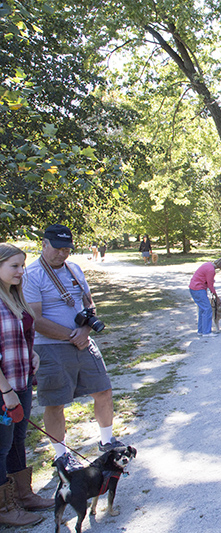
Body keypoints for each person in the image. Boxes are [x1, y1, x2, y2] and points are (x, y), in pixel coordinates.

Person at [22, 224, 127, 474]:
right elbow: (34, 319)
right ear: (44, 245)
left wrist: (85, 330)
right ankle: (62, 455)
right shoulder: (32, 275)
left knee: (103, 390)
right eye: (57, 248)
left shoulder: (75, 269)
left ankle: (106, 441)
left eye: (67, 248)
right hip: (50, 347)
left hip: (83, 341)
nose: (62, 253)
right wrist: (72, 336)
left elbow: (88, 303)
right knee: (55, 402)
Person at [0, 244, 53, 526]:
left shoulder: (14, 296)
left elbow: (20, 334)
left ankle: (23, 495)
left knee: (18, 440)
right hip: (4, 388)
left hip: (21, 380)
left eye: (22, 265)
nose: (21, 271)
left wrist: (31, 354)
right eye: (14, 266)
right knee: (1, 446)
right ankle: (5, 509)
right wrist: (6, 391)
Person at [189, 256, 221, 338]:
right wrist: (216, 297)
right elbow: (210, 285)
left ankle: (201, 330)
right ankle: (206, 332)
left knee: (202, 310)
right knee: (207, 309)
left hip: (194, 288)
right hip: (198, 289)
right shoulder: (211, 270)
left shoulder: (208, 264)